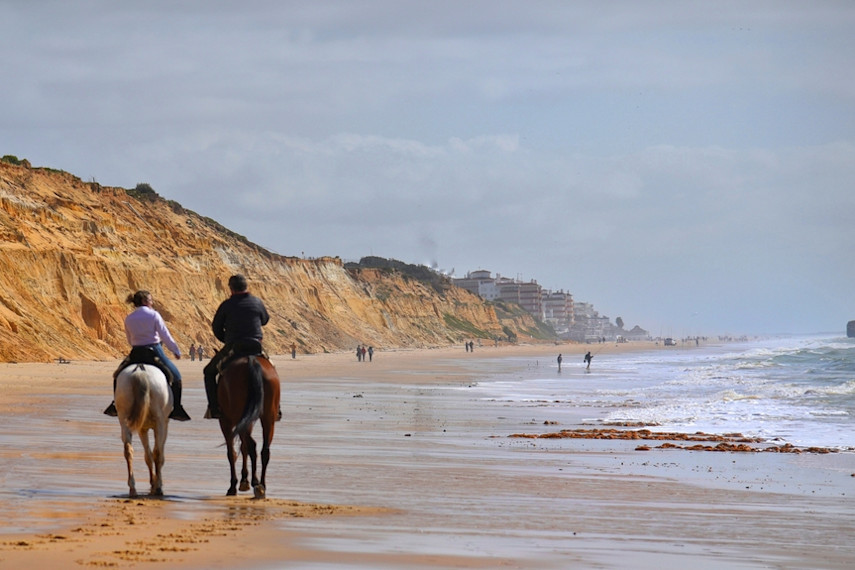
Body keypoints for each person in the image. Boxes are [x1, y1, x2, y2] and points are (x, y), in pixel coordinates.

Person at [104, 290, 190, 421]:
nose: (152, 302)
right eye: (150, 300)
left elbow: (129, 339)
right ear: (144, 301)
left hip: (136, 351)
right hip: (154, 350)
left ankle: (115, 404)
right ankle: (177, 408)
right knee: (177, 377)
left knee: (117, 375)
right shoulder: (154, 315)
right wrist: (176, 350)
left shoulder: (129, 318)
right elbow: (165, 335)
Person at [203, 274, 271, 419]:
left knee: (209, 372)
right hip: (256, 346)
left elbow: (216, 327)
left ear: (231, 289)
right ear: (247, 287)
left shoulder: (226, 305)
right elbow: (265, 320)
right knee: (271, 371)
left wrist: (225, 339)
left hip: (235, 346)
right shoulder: (257, 302)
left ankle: (214, 408)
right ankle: (276, 408)